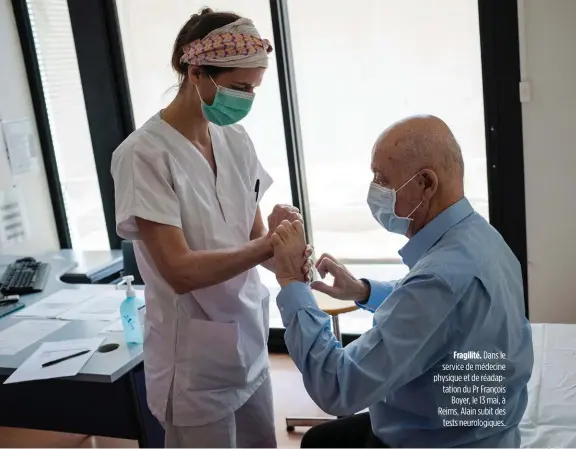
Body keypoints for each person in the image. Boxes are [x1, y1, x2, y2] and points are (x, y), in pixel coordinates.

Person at [270, 115, 534, 448]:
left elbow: (337, 386)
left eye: (381, 178)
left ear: (425, 183)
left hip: (445, 437)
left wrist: (292, 280)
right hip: (469, 424)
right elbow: (443, 313)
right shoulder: (482, 238)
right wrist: (364, 291)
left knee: (320, 442)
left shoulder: (439, 280)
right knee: (322, 439)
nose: (373, 190)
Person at [111, 8, 310, 448]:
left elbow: (256, 238)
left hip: (249, 341)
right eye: (239, 88)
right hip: (194, 363)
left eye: (254, 89)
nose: (247, 100)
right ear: (196, 72)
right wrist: (268, 248)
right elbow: (179, 271)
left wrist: (282, 235)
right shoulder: (143, 155)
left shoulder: (235, 141)